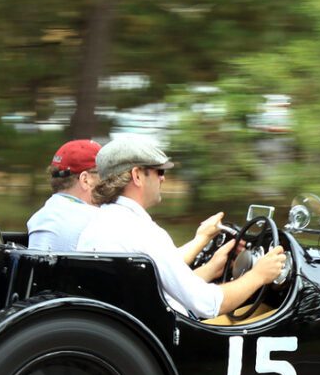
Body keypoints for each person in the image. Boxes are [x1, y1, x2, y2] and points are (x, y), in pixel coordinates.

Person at [76, 137, 287, 319]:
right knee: (267, 313)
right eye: (158, 171)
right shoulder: (143, 232)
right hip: (170, 340)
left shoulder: (97, 225)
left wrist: (213, 267)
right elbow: (208, 304)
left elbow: (160, 287)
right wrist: (259, 275)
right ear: (137, 175)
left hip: (131, 335)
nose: (163, 178)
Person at [26, 139, 102, 252]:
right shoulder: (97, 220)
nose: (109, 182)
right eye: (104, 174)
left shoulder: (38, 217)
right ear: (85, 180)